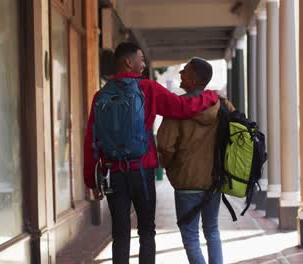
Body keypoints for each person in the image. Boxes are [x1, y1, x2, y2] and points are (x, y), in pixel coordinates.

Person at [83, 42, 219, 264]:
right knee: (146, 231)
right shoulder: (148, 88)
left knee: (120, 232)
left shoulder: (100, 96)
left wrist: (92, 181)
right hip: (142, 169)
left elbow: (92, 140)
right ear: (129, 62)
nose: (144, 64)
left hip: (113, 172)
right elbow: (184, 107)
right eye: (141, 59)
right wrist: (210, 96)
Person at [157, 58, 235, 264]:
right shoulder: (221, 105)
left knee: (191, 237)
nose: (180, 74)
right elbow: (236, 130)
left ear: (191, 79)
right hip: (214, 179)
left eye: (184, 72)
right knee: (212, 230)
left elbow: (165, 145)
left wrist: (169, 165)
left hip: (186, 181)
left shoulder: (177, 108)